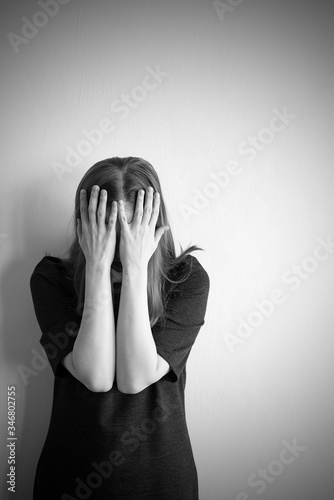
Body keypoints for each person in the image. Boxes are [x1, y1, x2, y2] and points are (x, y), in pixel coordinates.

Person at [30, 156, 210, 499]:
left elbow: (135, 377)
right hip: (68, 476)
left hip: (161, 479)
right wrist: (97, 266)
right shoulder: (51, 278)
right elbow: (96, 376)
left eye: (132, 227)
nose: (120, 241)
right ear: (85, 225)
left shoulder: (187, 279)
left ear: (153, 225)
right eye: (107, 226)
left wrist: (135, 267)